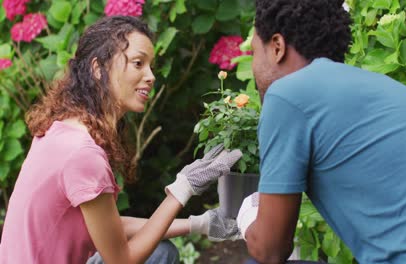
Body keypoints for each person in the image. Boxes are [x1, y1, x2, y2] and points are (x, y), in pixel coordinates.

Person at [232, 0, 406, 263]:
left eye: (254, 53)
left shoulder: (288, 95)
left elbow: (269, 251)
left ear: (277, 47)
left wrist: (247, 218)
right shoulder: (382, 86)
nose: (253, 67)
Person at [0, 16, 242, 264]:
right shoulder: (81, 154)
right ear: (98, 69)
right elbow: (121, 261)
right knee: (159, 255)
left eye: (150, 66)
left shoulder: (62, 131)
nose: (150, 76)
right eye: (138, 63)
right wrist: (183, 189)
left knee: (160, 252)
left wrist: (198, 224)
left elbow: (109, 227)